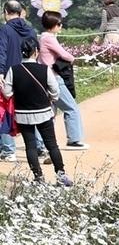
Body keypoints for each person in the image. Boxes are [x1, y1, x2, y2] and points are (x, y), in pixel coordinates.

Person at [0, 38, 70, 186]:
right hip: (44, 112)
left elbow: (7, 93)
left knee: (30, 146)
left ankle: (38, 177)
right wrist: (51, 98)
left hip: (23, 115)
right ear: (36, 51)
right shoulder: (44, 69)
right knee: (52, 145)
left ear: (22, 53)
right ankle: (61, 175)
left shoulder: (14, 70)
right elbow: (55, 91)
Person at [37, 12, 86, 149]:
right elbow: (65, 55)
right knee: (71, 108)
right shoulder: (49, 38)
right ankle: (74, 139)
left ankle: (43, 144)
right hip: (54, 79)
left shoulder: (43, 37)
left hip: (45, 78)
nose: (61, 26)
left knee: (49, 112)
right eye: (59, 24)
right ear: (53, 25)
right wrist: (73, 58)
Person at [0, 0, 37, 161]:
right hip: (30, 75)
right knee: (31, 112)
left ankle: (9, 151)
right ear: (21, 12)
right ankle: (41, 148)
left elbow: (2, 51)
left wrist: (0, 72)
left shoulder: (5, 29)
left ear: (6, 12)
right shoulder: (30, 30)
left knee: (5, 112)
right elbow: (37, 51)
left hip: (10, 74)